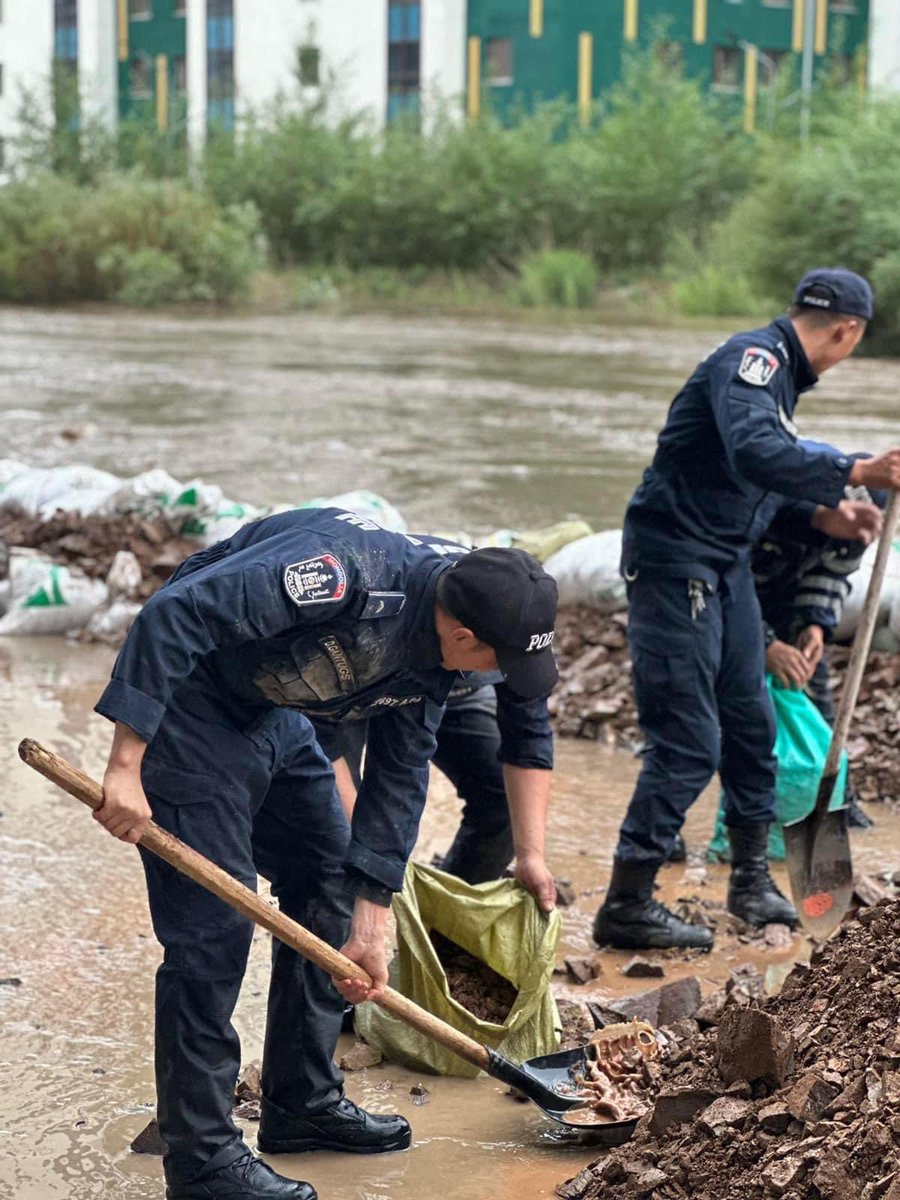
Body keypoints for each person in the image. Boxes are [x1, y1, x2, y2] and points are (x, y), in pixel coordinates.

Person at [91, 506, 559, 1200]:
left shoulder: (443, 655)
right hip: (190, 710)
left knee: (328, 880)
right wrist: (126, 763)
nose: (503, 677)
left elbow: (401, 774)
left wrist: (373, 917)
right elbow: (174, 614)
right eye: (502, 661)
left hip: (273, 713)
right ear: (464, 636)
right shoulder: (339, 577)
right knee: (212, 936)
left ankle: (301, 1103)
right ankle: (203, 1162)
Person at [593, 267, 900, 951]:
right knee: (688, 741)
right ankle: (627, 900)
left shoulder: (780, 379)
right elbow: (757, 449)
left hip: (723, 563)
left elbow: (750, 481)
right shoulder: (754, 361)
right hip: (676, 562)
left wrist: (824, 514)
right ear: (847, 333)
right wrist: (854, 469)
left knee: (751, 724)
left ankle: (752, 880)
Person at [753, 466, 886, 828]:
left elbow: (833, 575)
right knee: (739, 713)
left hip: (791, 606)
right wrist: (764, 643)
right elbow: (729, 589)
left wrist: (815, 626)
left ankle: (834, 799)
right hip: (734, 606)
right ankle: (749, 812)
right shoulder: (775, 511)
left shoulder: (858, 529)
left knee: (815, 698)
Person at [318, 673, 517, 887]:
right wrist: (368, 862)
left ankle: (444, 908)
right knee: (331, 813)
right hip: (355, 681)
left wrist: (529, 854)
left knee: (508, 798)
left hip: (454, 683)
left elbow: (531, 736)